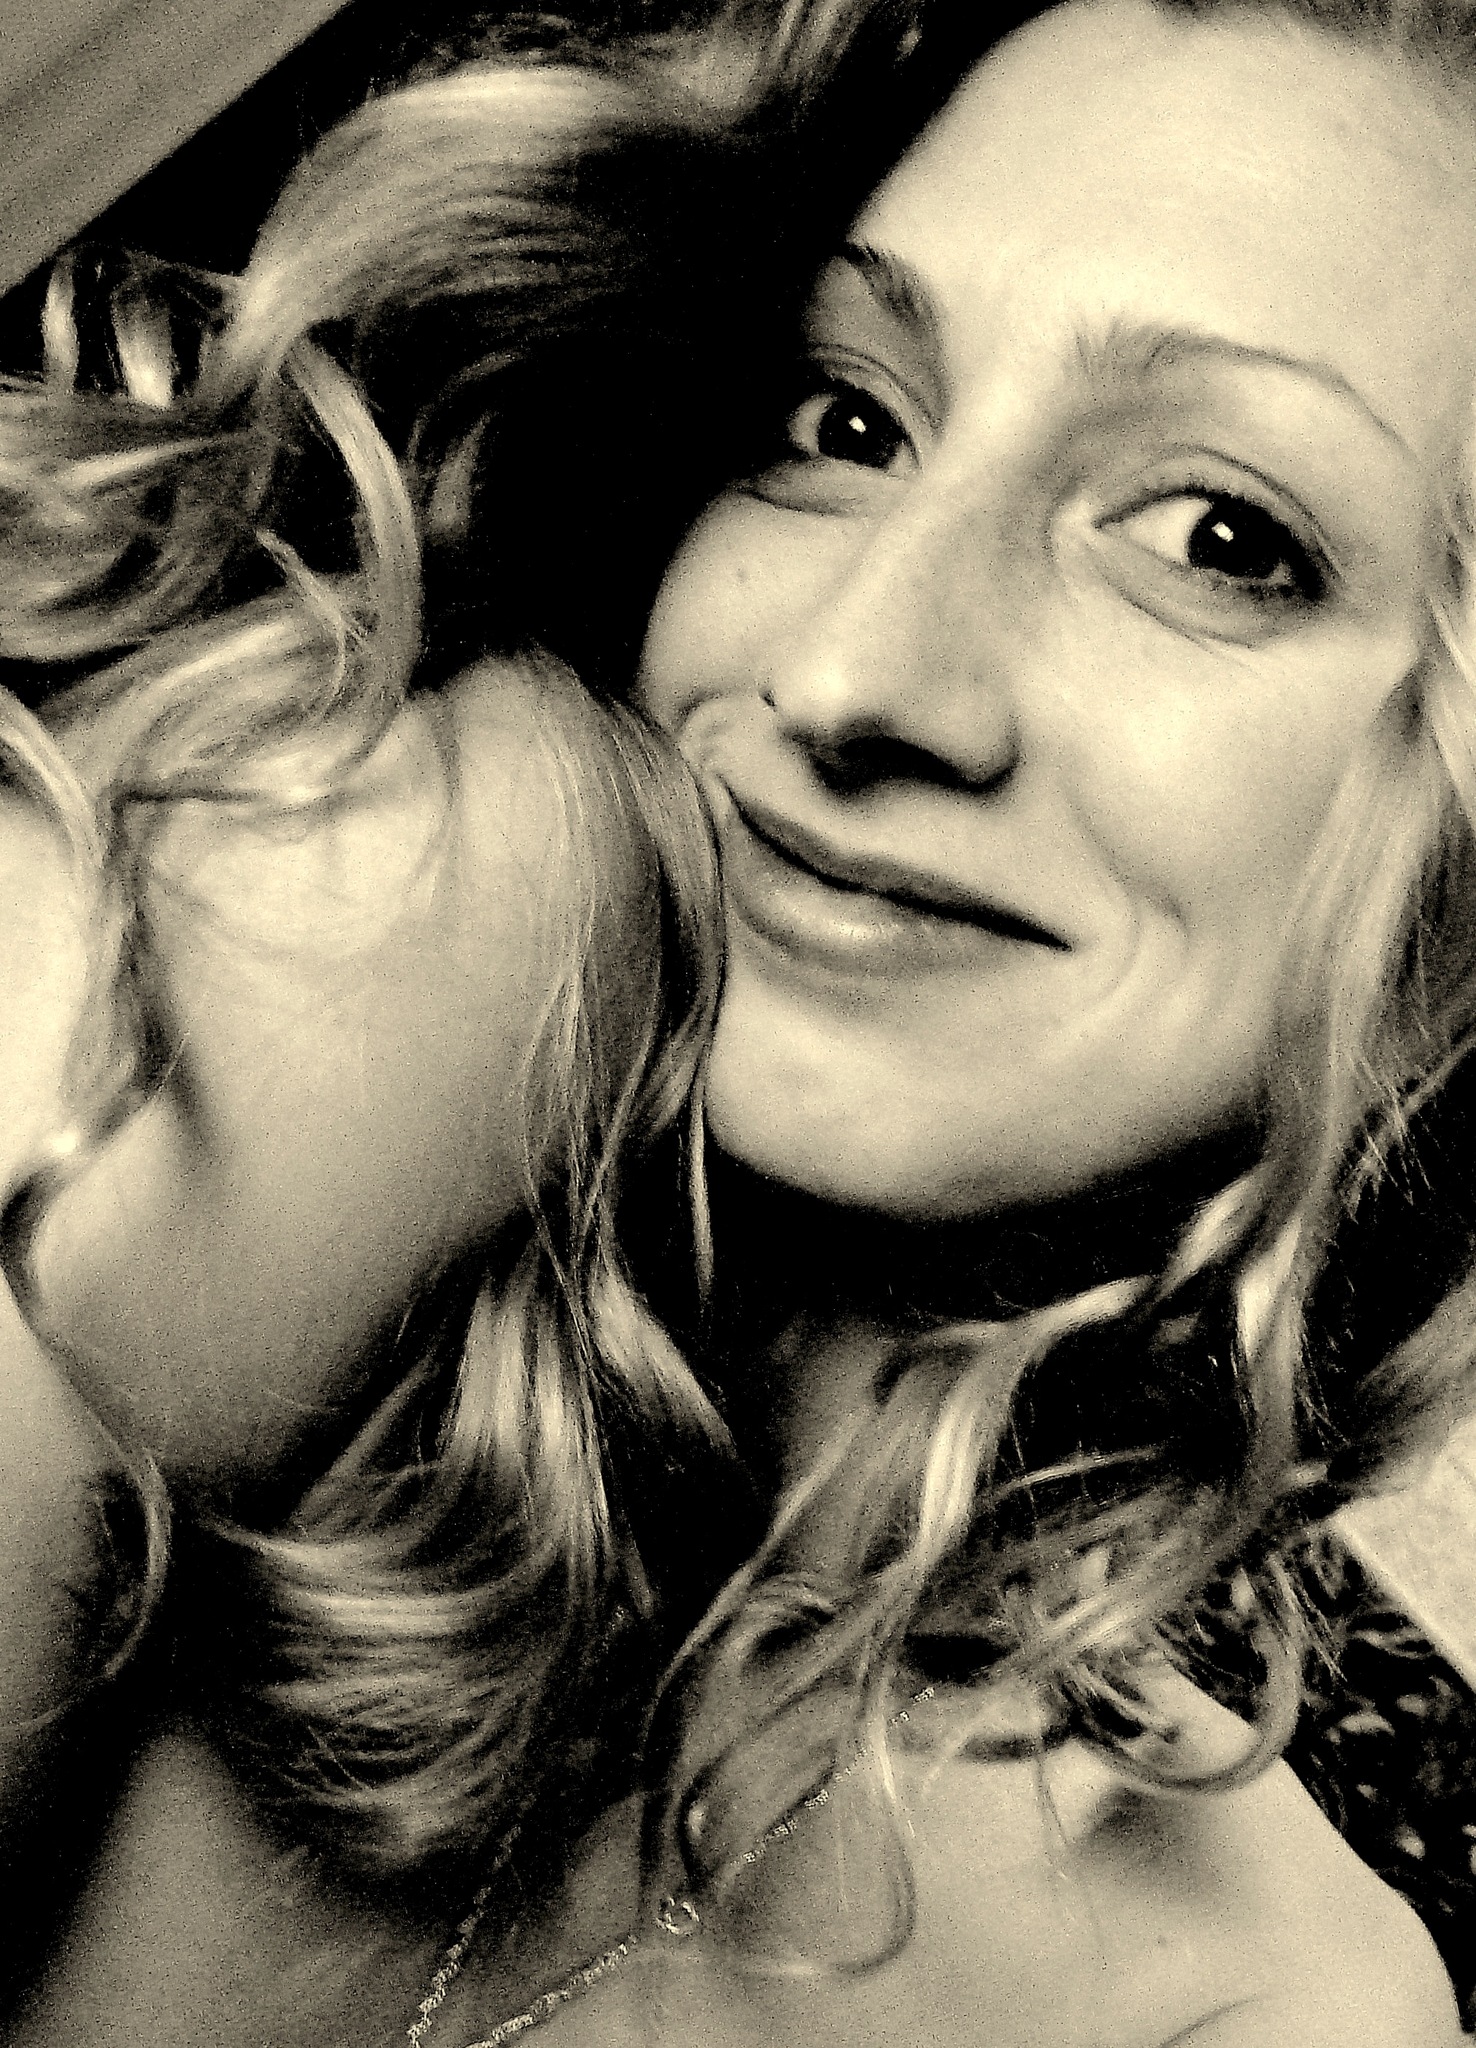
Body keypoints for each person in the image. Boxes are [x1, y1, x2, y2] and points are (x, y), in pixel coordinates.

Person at [3, 3, 1475, 2046]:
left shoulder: (1265, 2005)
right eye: (845, 418)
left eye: (1224, 540)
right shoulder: (415, 886)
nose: (853, 673)